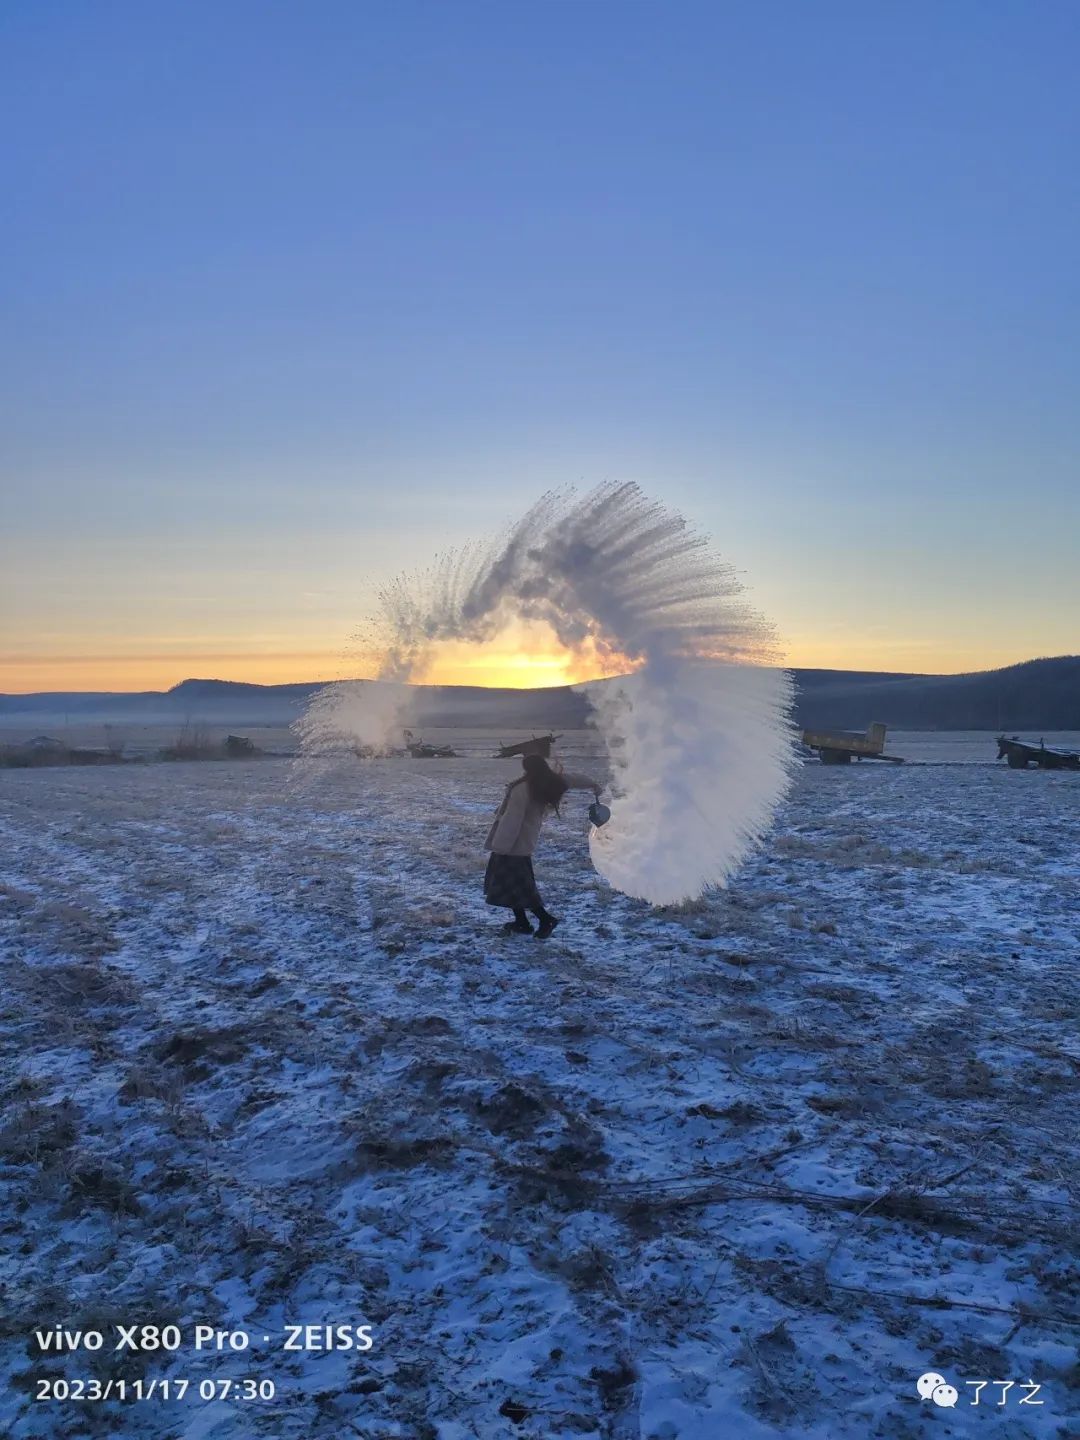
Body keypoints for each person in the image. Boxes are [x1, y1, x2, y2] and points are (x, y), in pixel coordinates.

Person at [483, 754, 602, 939]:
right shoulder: (550, 781)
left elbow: (513, 819)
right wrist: (594, 784)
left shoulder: (523, 787)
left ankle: (546, 919)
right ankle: (522, 923)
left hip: (512, 844)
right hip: (525, 841)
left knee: (520, 887)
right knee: (513, 887)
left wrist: (502, 845)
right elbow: (575, 778)